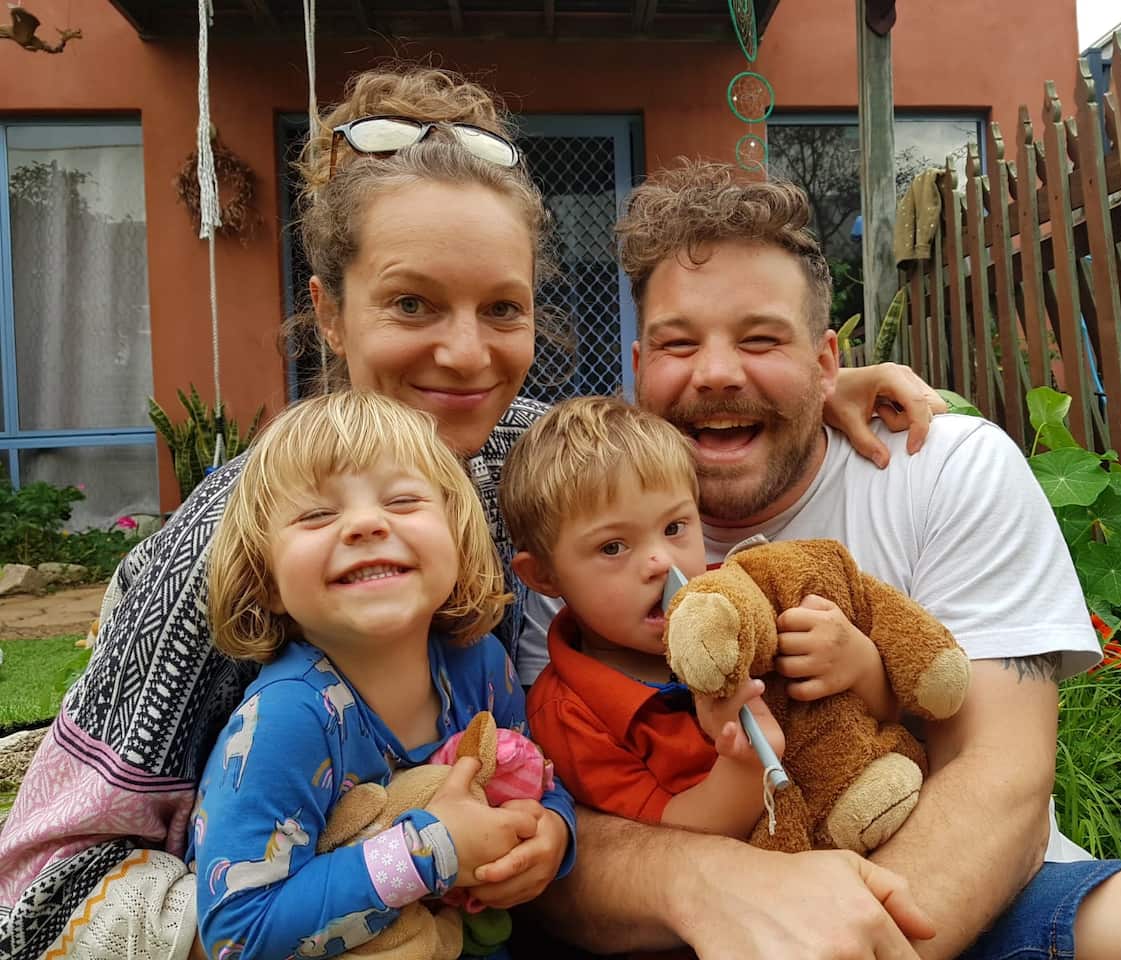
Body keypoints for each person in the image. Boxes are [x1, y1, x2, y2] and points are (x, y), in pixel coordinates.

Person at [0, 65, 941, 960]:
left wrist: (818, 389)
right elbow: (41, 888)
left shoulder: (526, 453)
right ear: (328, 312)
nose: (466, 355)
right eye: (412, 303)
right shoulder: (225, 537)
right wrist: (362, 896)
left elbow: (645, 456)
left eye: (502, 309)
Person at [530, 160, 1121, 960]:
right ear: (637, 367)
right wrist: (717, 891)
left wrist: (857, 946)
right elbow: (563, 834)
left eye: (762, 339)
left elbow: (999, 773)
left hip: (956, 891)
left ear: (828, 362)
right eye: (678, 344)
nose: (718, 372)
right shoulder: (574, 533)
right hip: (702, 920)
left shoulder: (944, 467)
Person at [191, 389, 575, 959]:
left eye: (401, 501)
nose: (367, 524)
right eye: (319, 514)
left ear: (459, 541)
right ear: (266, 581)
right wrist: (430, 851)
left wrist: (554, 831)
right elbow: (235, 932)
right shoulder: (286, 720)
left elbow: (536, 774)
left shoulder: (482, 667)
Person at [503, 395, 904, 845]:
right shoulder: (567, 714)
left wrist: (860, 664)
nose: (660, 561)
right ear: (544, 575)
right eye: (613, 547)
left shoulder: (740, 599)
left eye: (675, 528)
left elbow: (891, 711)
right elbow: (671, 839)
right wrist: (744, 762)